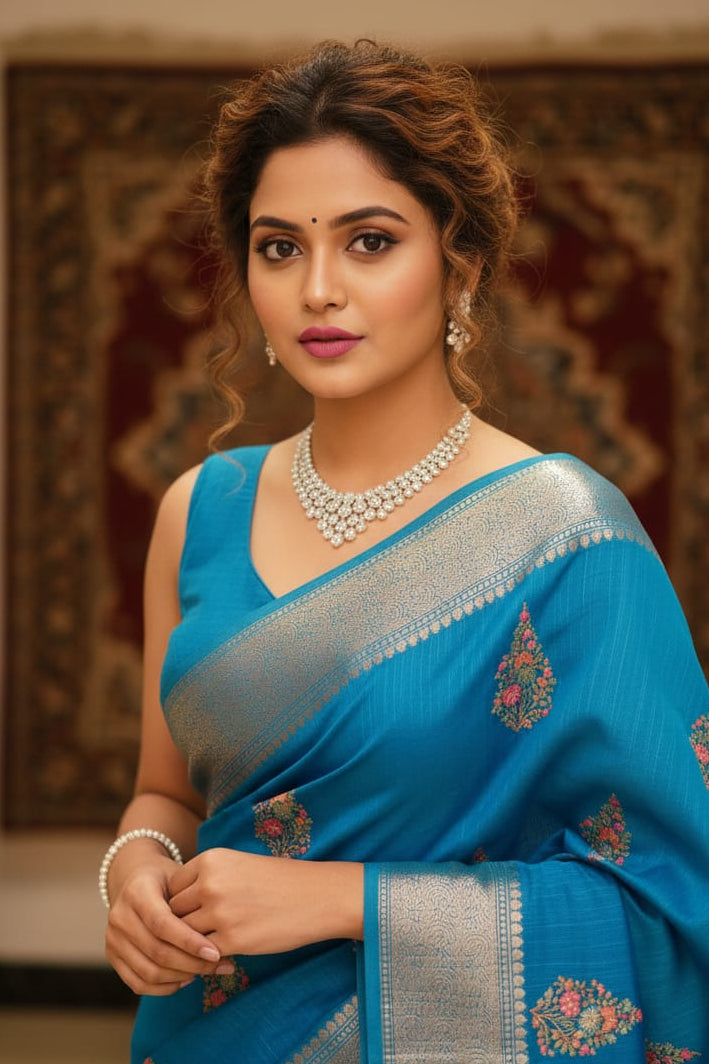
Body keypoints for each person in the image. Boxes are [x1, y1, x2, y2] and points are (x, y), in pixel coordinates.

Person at [102, 40, 709, 1064]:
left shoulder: (562, 534)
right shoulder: (197, 509)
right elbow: (167, 793)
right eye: (279, 246)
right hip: (201, 1030)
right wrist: (134, 871)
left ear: (456, 262)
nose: (317, 289)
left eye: (369, 241)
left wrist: (340, 899)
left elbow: (669, 891)